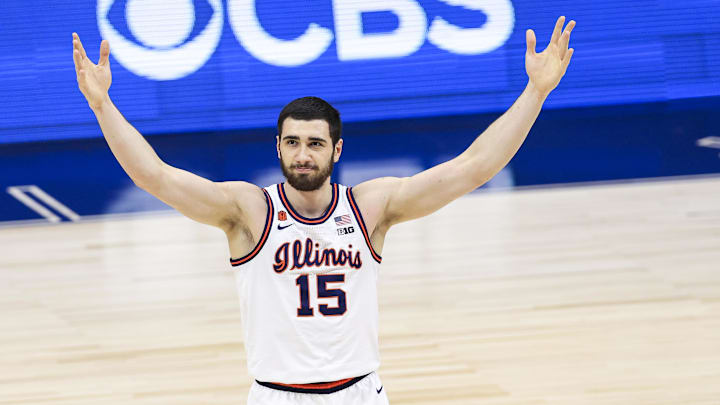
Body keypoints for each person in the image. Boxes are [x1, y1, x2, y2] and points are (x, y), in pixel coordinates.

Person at [72, 16, 575, 405]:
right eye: (292, 142)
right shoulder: (247, 212)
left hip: (358, 391)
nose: (302, 153)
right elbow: (154, 176)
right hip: (276, 393)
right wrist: (102, 106)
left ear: (336, 150)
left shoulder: (371, 208)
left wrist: (535, 92)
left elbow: (473, 168)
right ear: (278, 148)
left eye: (315, 143)